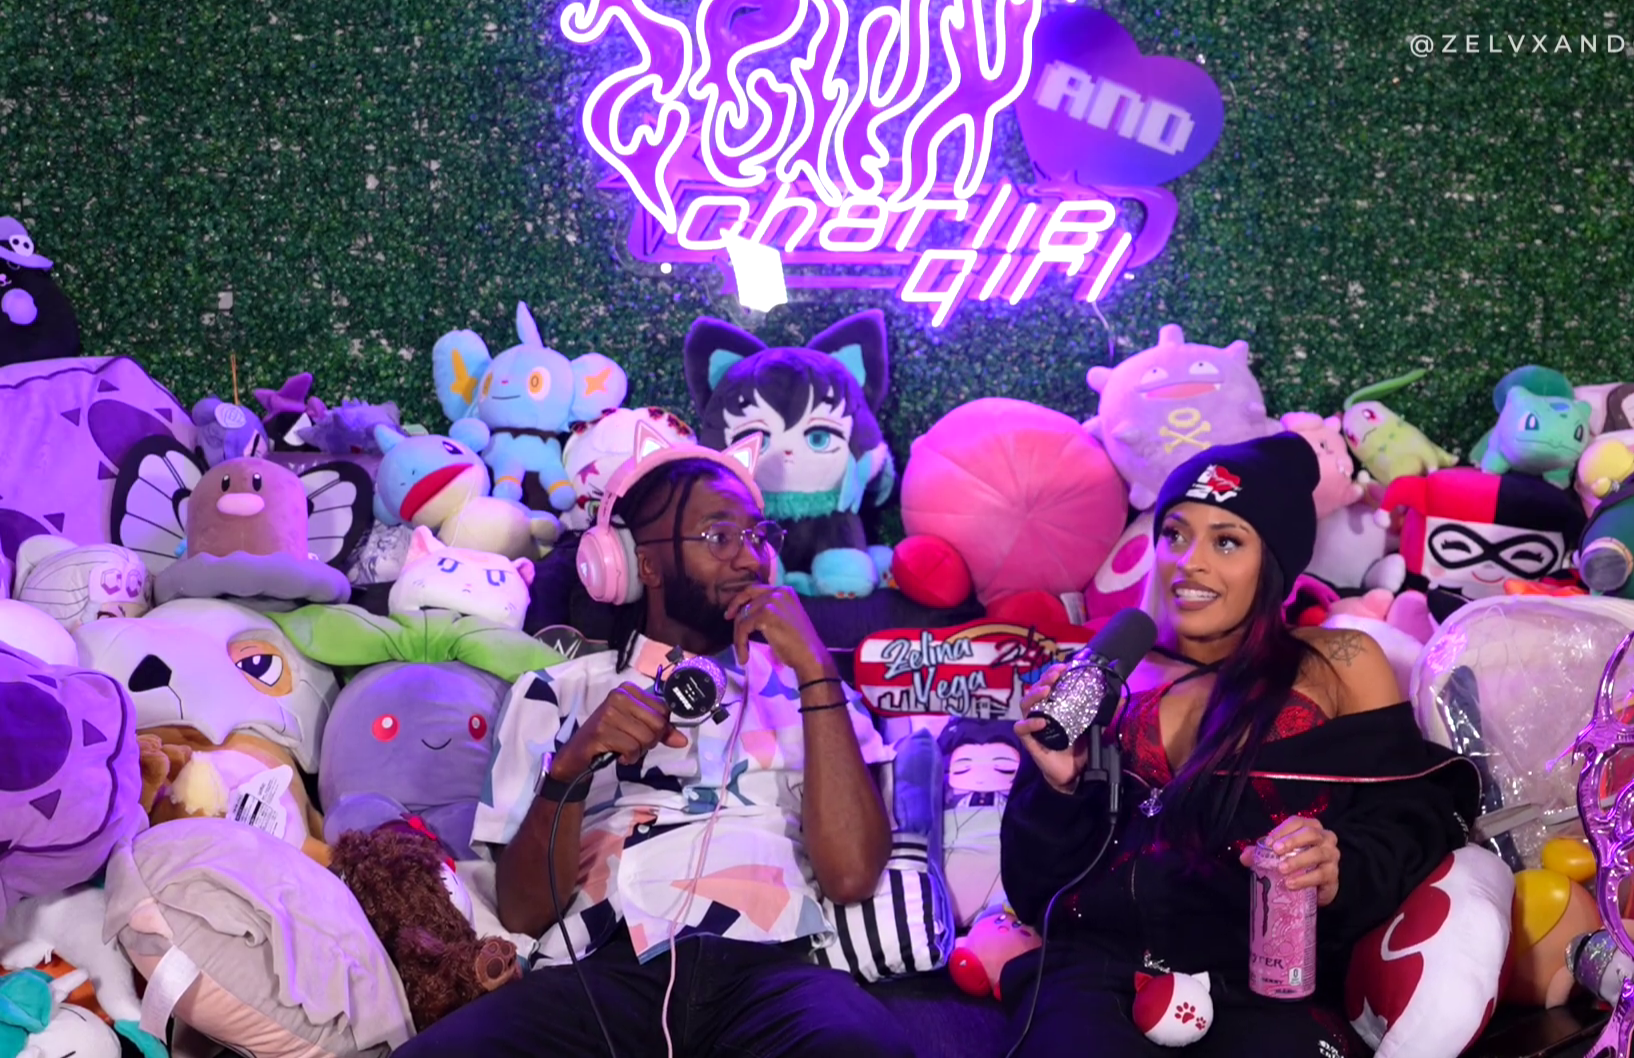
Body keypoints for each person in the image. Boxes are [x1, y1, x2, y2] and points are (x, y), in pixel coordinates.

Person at [396, 439, 910, 1058]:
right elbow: (525, 912)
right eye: (720, 536)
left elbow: (852, 876)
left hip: (775, 970)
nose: (751, 557)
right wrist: (571, 769)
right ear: (642, 564)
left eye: (758, 535)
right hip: (602, 973)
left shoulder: (817, 693)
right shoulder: (557, 692)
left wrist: (817, 672)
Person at [1000, 432, 1482, 1057]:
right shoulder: (1103, 677)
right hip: (1098, 974)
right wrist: (1056, 790)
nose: (1189, 562)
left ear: (1273, 563)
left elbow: (1413, 821)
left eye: (1226, 541)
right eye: (1175, 535)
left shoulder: (1338, 662)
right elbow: (1034, 889)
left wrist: (1340, 870)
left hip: (1267, 987)